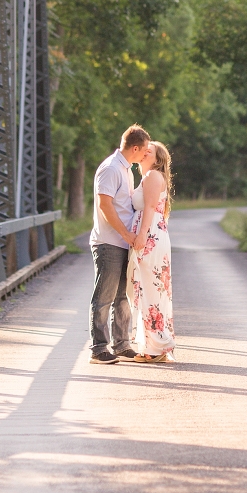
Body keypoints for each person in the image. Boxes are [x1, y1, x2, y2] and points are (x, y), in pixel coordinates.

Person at [88, 126, 151, 364]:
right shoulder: (111, 168)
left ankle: (122, 344)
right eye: (144, 150)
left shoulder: (127, 170)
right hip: (109, 242)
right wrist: (126, 234)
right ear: (135, 148)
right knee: (103, 296)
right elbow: (105, 206)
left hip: (124, 243)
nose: (145, 154)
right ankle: (98, 349)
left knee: (122, 297)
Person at [127, 141, 175, 363]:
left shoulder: (153, 176)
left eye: (150, 150)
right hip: (152, 234)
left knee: (151, 289)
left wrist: (142, 235)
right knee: (147, 288)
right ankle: (153, 345)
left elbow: (149, 208)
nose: (145, 151)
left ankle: (156, 348)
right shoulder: (147, 178)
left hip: (151, 237)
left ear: (157, 159)